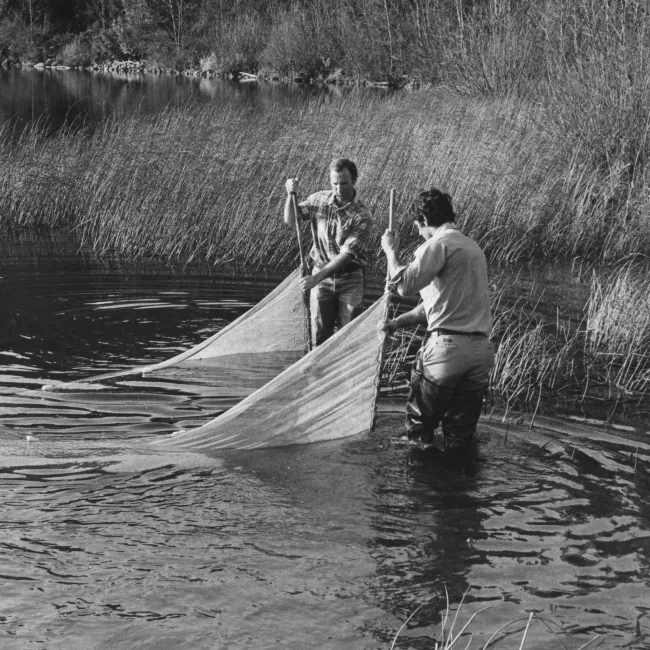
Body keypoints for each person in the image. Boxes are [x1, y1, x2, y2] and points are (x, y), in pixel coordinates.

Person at [380, 188, 494, 449]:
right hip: (481, 353)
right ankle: (460, 485)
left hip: (446, 352)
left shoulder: (437, 245)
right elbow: (437, 306)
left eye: (418, 227)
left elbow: (405, 286)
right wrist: (397, 323)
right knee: (460, 437)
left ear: (422, 221)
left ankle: (421, 488)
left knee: (419, 434)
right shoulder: (473, 248)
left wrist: (390, 251)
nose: (419, 233)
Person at [284, 158, 373, 346]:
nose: (339, 189)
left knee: (347, 338)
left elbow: (346, 255)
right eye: (335, 184)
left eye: (344, 183)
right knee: (319, 336)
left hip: (350, 279)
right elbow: (291, 220)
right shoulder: (318, 200)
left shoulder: (362, 215)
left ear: (354, 180)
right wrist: (289, 194)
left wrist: (316, 278)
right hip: (321, 279)